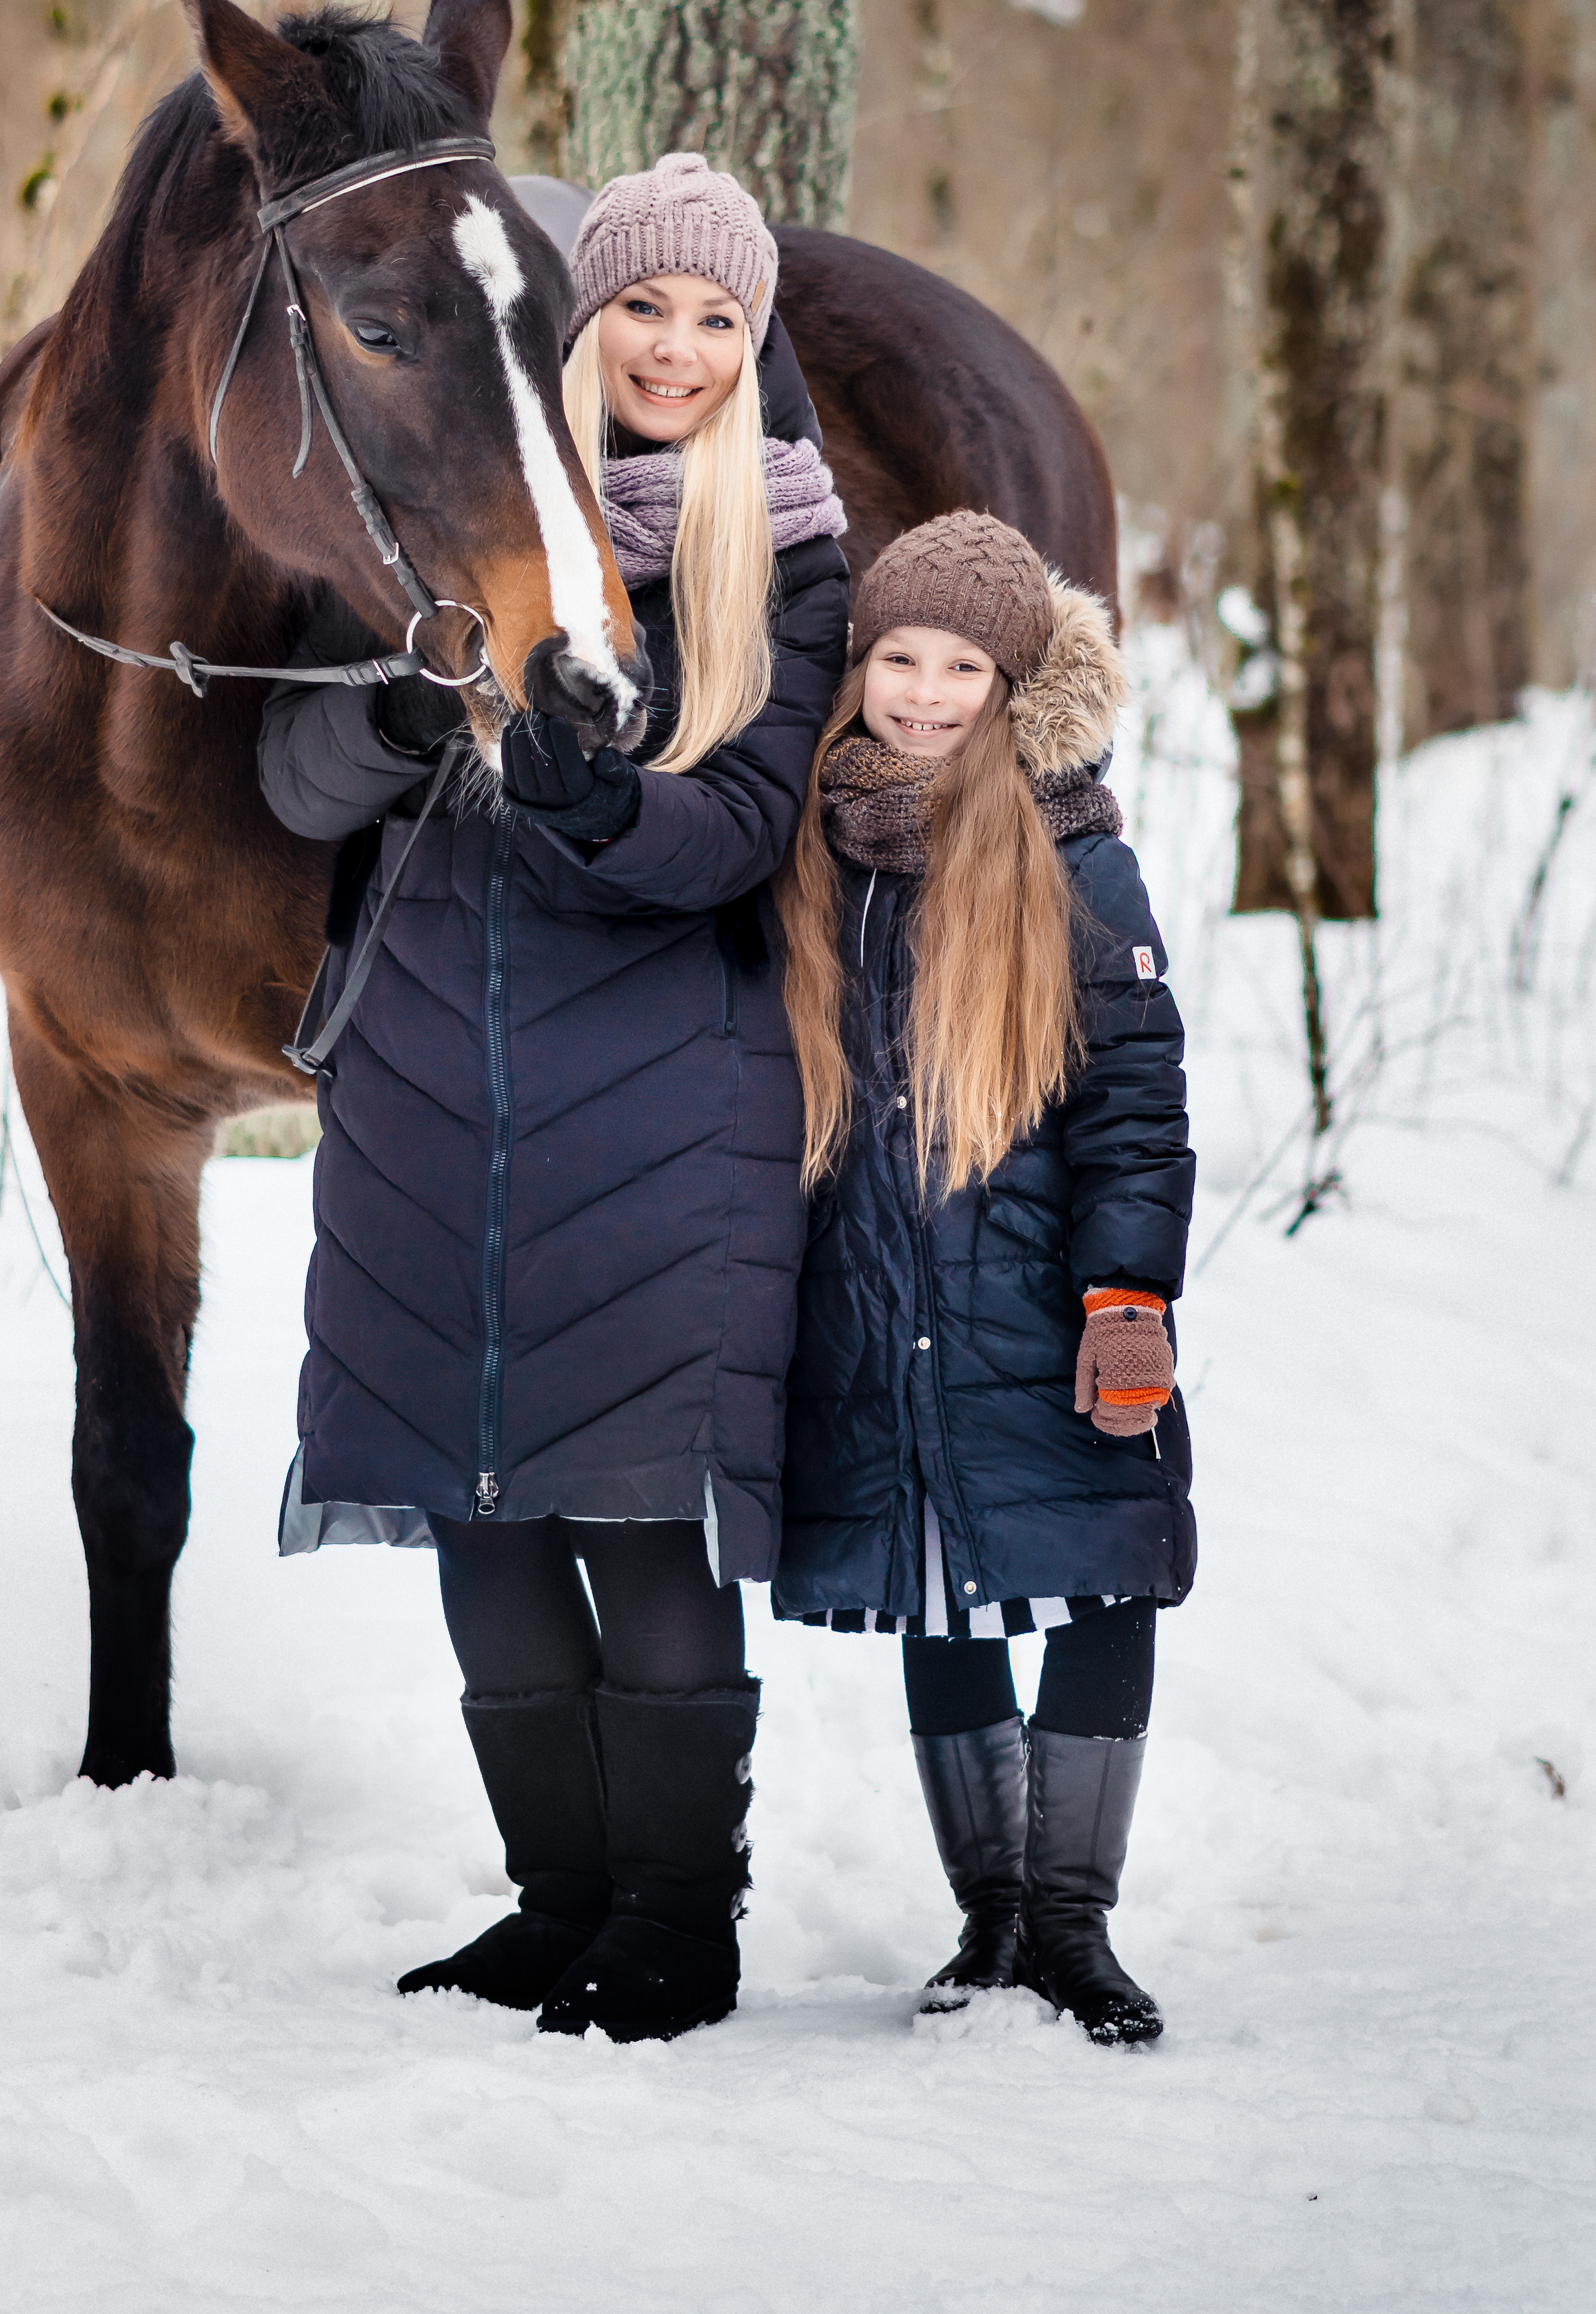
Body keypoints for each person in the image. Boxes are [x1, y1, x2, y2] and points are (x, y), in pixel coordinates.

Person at [256, 153, 850, 2043]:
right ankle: (557, 1899)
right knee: (483, 1512)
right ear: (573, 324)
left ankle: (677, 1920)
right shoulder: (446, 505)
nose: (674, 347)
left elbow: (736, 833)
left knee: (635, 1513)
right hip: (428, 1080)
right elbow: (291, 782)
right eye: (640, 306)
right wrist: (399, 711)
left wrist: (598, 805)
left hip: (664, 1096)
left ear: (751, 344)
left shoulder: (789, 555)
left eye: (715, 318)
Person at [771, 512, 1195, 2044]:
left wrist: (1125, 1298)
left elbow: (1134, 1105)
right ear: (858, 669)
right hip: (877, 1309)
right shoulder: (815, 853)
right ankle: (992, 1914)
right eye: (899, 659)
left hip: (1041, 1305)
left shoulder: (1078, 858)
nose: (927, 694)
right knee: (936, 1589)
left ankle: (1072, 1923)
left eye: (964, 668)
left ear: (1013, 686)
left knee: (1099, 1571)